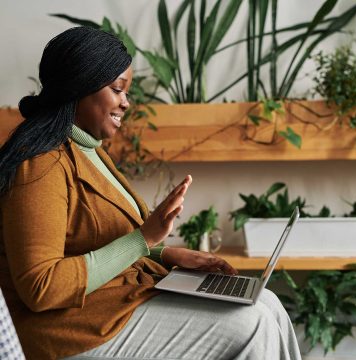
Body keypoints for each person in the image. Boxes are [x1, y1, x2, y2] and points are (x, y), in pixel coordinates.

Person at [0, 27, 301, 360]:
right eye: (117, 89)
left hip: (113, 303)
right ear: (80, 87)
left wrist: (166, 255)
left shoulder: (90, 150)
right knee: (252, 323)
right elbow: (40, 287)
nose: (126, 103)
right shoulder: (40, 162)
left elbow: (91, 240)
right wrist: (144, 239)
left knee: (267, 303)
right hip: (68, 329)